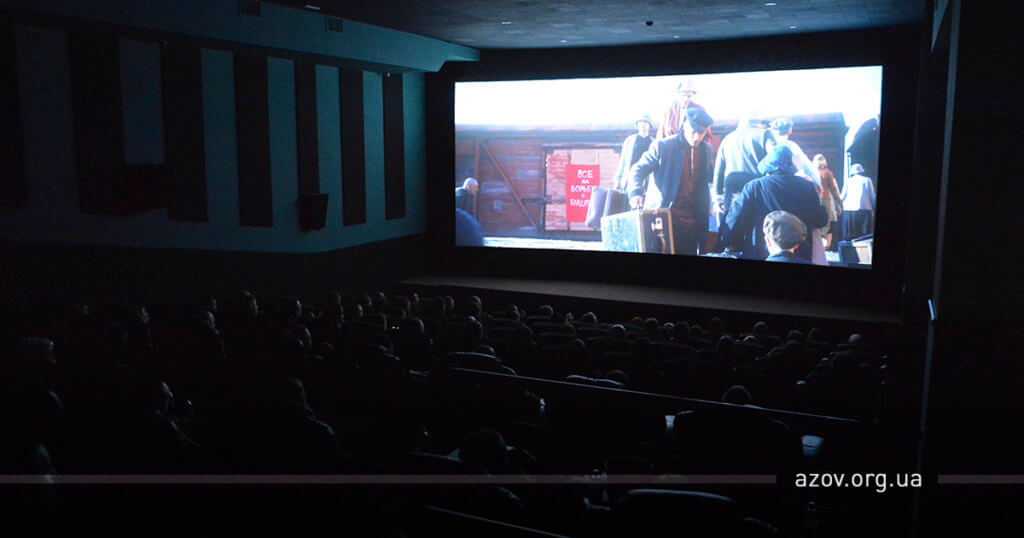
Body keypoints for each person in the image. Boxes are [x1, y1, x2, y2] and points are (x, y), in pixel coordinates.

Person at [627, 108, 715, 256]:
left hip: (692, 222)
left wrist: (710, 203)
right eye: (694, 131)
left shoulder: (707, 150)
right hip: (663, 220)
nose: (697, 137)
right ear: (685, 124)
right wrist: (636, 193)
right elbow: (637, 170)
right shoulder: (663, 146)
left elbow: (707, 181)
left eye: (702, 133)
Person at [720, 145, 828, 263]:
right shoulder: (806, 186)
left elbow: (736, 220)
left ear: (768, 167)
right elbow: (820, 220)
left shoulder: (755, 186)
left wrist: (729, 242)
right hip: (799, 256)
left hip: (759, 254)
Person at [712, 110, 775, 216]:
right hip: (758, 197)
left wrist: (719, 197)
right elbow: (776, 159)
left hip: (733, 200)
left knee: (733, 226)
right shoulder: (765, 134)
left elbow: (718, 172)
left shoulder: (727, 139)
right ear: (759, 121)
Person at [767, 118, 818, 187]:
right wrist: (816, 182)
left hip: (772, 184)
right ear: (789, 133)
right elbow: (802, 170)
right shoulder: (791, 146)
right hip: (789, 184)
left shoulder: (767, 145)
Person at [613, 114, 655, 192]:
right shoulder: (629, 140)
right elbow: (623, 161)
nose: (643, 124)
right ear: (637, 124)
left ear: (650, 125)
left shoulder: (654, 142)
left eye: (645, 122)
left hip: (648, 182)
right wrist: (618, 180)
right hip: (630, 180)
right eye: (641, 121)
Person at [812, 154, 843, 249]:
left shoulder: (811, 172)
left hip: (814, 199)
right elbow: (834, 189)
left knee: (816, 222)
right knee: (828, 221)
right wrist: (840, 203)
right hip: (825, 198)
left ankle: (818, 243)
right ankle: (824, 243)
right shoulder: (827, 173)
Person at [840, 163, 876, 240]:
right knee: (864, 234)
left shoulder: (849, 180)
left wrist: (839, 206)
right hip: (864, 208)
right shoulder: (867, 180)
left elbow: (842, 195)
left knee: (851, 233)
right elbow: (872, 195)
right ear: (861, 171)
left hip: (849, 209)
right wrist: (874, 207)